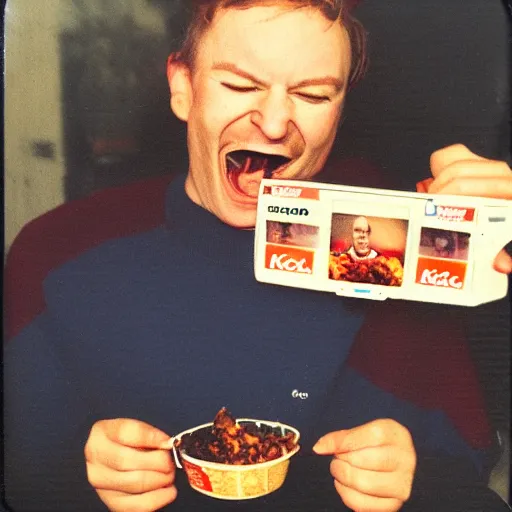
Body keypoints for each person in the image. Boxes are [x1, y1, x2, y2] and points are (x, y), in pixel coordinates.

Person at [4, 1, 512, 512]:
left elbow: (470, 474)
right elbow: (21, 480)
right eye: (240, 85)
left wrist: (418, 481)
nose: (273, 123)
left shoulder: (394, 244)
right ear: (183, 86)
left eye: (313, 94)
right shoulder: (57, 256)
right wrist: (80, 478)